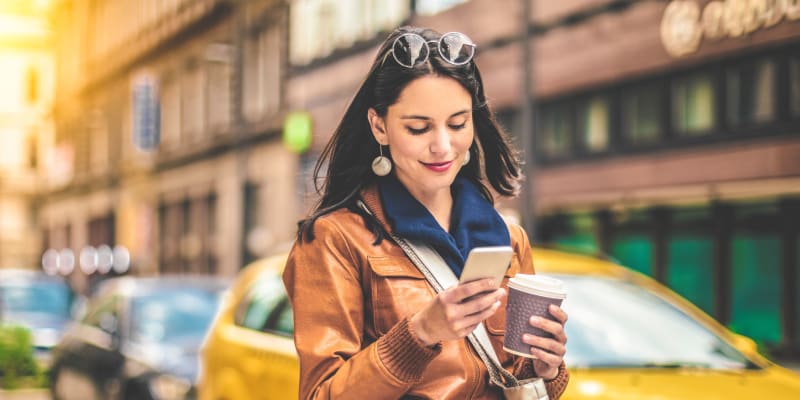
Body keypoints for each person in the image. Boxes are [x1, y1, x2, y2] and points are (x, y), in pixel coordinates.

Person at [283, 26, 569, 399]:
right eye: (419, 128)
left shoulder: (509, 239)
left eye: (457, 124)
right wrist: (420, 333)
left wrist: (545, 368)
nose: (443, 145)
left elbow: (510, 377)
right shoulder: (334, 239)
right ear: (379, 126)